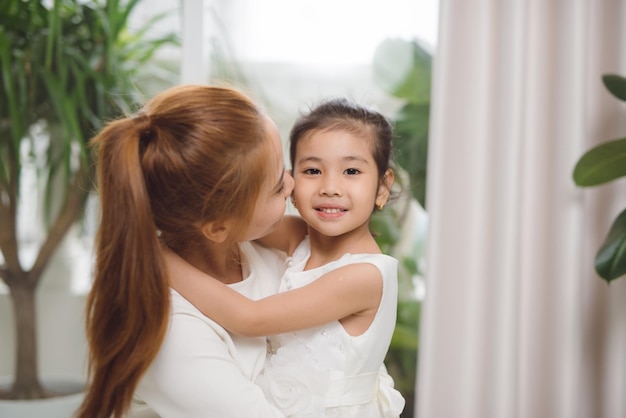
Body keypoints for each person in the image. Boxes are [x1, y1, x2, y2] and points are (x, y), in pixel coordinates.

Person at [168, 98, 406, 417]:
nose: (330, 187)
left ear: (382, 187)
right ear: (291, 182)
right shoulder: (299, 236)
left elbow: (250, 319)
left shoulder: (364, 275)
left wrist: (159, 259)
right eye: (313, 170)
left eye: (351, 170)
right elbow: (237, 217)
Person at [76, 84, 296, 418]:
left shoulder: (266, 245)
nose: (294, 185)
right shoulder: (172, 334)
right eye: (279, 186)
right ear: (218, 227)